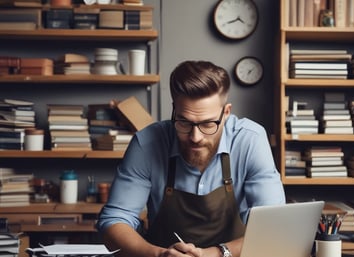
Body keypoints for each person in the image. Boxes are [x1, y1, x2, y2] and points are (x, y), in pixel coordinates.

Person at [97, 60, 285, 257]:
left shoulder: (250, 139)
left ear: (226, 112)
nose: (196, 137)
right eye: (184, 122)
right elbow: (114, 220)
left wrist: (215, 254)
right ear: (174, 109)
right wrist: (160, 254)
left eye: (207, 124)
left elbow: (273, 228)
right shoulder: (147, 143)